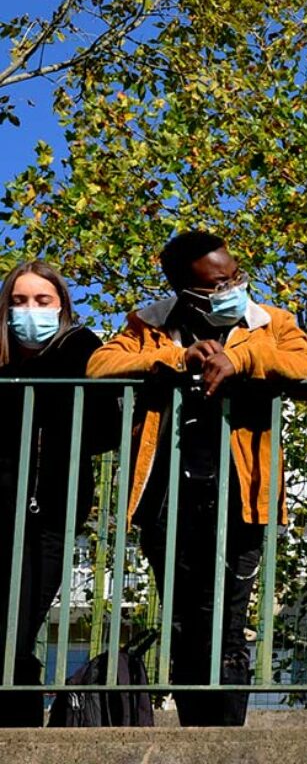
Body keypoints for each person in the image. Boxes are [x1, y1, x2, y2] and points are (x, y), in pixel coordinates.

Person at [87, 232, 307, 726]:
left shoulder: (270, 321)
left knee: (230, 623)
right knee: (182, 620)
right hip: (165, 497)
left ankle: (226, 739)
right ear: (185, 291)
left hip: (243, 497)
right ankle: (196, 733)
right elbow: (100, 363)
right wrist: (175, 359)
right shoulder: (149, 324)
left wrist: (243, 359)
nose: (232, 286)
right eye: (218, 283)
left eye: (235, 276)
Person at [0, 261, 116, 726]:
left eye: (42, 301)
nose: (30, 310)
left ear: (62, 306)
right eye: (19, 301)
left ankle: (18, 733)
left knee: (17, 630)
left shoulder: (80, 348)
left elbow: (107, 425)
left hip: (47, 511)